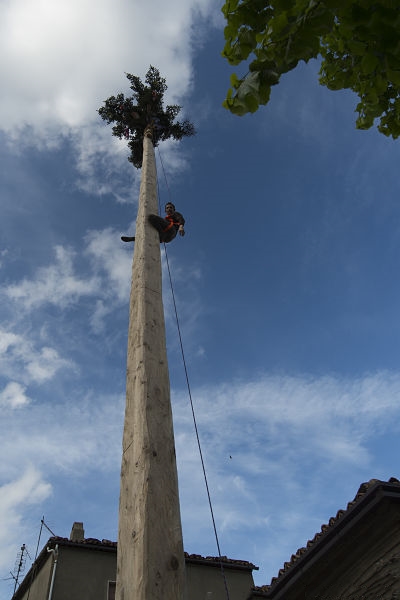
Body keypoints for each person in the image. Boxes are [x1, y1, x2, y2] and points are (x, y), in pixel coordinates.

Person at [121, 202, 185, 243]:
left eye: (171, 208)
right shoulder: (166, 219)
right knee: (150, 235)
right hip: (167, 238)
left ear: (174, 209)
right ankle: (135, 238)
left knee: (151, 217)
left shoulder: (175, 214)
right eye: (167, 208)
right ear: (165, 210)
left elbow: (181, 219)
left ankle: (161, 234)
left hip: (171, 230)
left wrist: (181, 227)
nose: (169, 209)